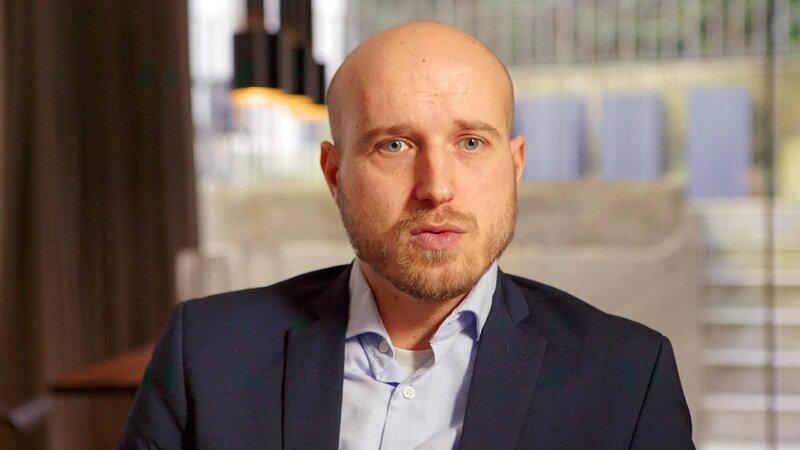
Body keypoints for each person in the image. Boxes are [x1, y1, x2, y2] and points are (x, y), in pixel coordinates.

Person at [120, 21, 694, 449]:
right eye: (394, 145)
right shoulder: (206, 353)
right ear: (334, 175)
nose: (437, 188)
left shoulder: (628, 376)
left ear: (515, 166)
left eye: (471, 143)